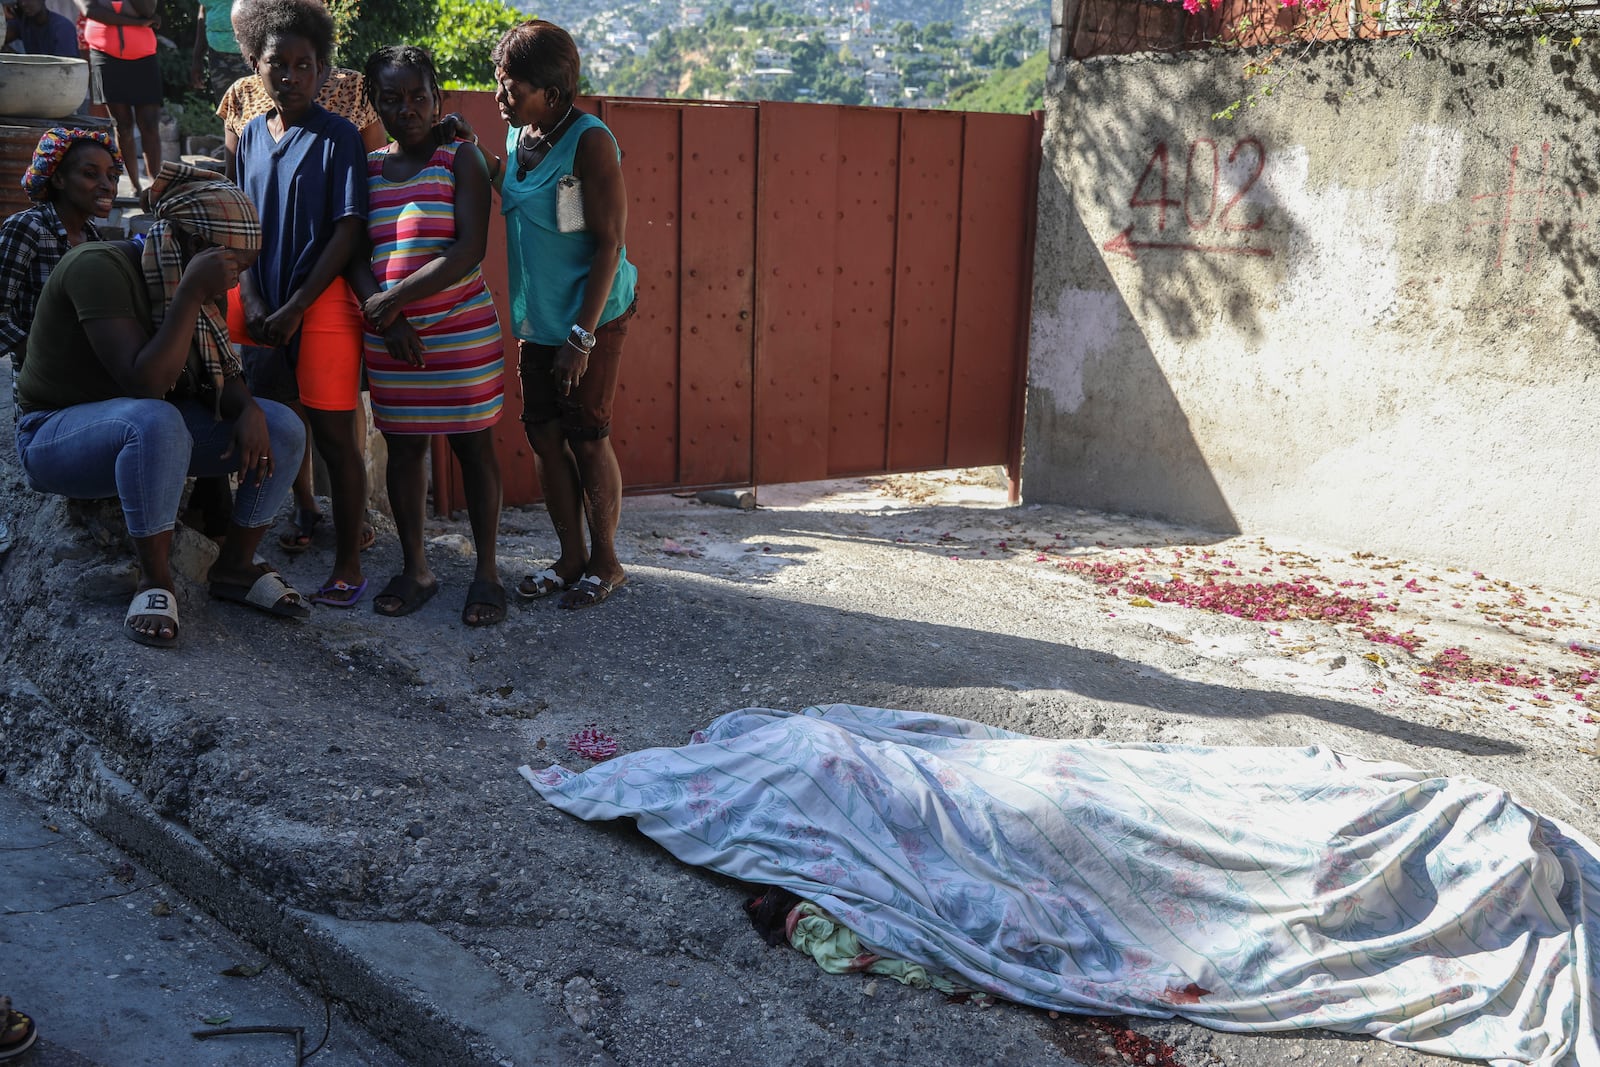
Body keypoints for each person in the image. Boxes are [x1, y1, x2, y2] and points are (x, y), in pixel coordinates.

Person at [13, 162, 310, 648]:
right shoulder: (99, 267)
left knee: (282, 425)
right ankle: (155, 581)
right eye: (231, 268)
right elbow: (146, 383)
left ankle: (235, 566)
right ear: (195, 247)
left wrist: (249, 409)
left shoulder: (177, 280)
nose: (233, 286)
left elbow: (215, 368)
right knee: (155, 418)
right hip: (54, 436)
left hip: (142, 431)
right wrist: (192, 291)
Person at [451, 20, 638, 610]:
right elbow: (516, 189)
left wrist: (581, 338)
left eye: (511, 88)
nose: (498, 99)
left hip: (592, 317)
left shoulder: (590, 141)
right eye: (498, 85)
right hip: (539, 320)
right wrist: (472, 146)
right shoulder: (519, 134)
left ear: (553, 94)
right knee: (543, 434)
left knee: (586, 436)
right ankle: (570, 558)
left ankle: (606, 563)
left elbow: (607, 242)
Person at [213, 0, 383, 553]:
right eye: (276, 63)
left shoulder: (340, 136)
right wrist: (257, 300)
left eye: (303, 64)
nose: (289, 75)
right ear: (255, 67)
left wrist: (297, 307)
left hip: (321, 302)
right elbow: (241, 224)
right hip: (261, 303)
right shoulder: (253, 134)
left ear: (323, 70)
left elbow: (348, 229)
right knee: (277, 419)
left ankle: (350, 551)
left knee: (334, 431)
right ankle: (305, 510)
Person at [348, 46, 506, 626]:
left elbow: (468, 250)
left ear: (437, 98)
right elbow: (355, 251)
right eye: (392, 98)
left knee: (473, 446)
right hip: (390, 334)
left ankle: (487, 572)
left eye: (418, 96)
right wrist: (384, 315)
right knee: (406, 447)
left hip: (462, 330)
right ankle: (416, 568)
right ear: (376, 104)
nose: (407, 108)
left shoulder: (459, 157)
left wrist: (392, 302)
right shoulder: (364, 170)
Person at [1, 127, 121, 395]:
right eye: (91, 174)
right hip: (42, 393)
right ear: (58, 180)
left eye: (112, 176)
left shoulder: (94, 239)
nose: (107, 186)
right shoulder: (28, 227)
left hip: (89, 383)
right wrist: (37, 354)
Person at [81, 0, 161, 202]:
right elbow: (91, 11)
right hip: (105, 56)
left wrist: (139, 18)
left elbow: (148, 10)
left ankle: (157, 185)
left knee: (150, 124)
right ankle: (134, 184)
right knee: (122, 125)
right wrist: (137, 22)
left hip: (144, 56)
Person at [189, 0, 250, 103]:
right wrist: (197, 58)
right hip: (217, 54)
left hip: (248, 54)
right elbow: (203, 10)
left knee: (254, 107)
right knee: (226, 108)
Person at [4, 0, 77, 55]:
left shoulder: (62, 28)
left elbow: (64, 68)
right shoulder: (23, 22)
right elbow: (3, 38)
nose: (23, 4)